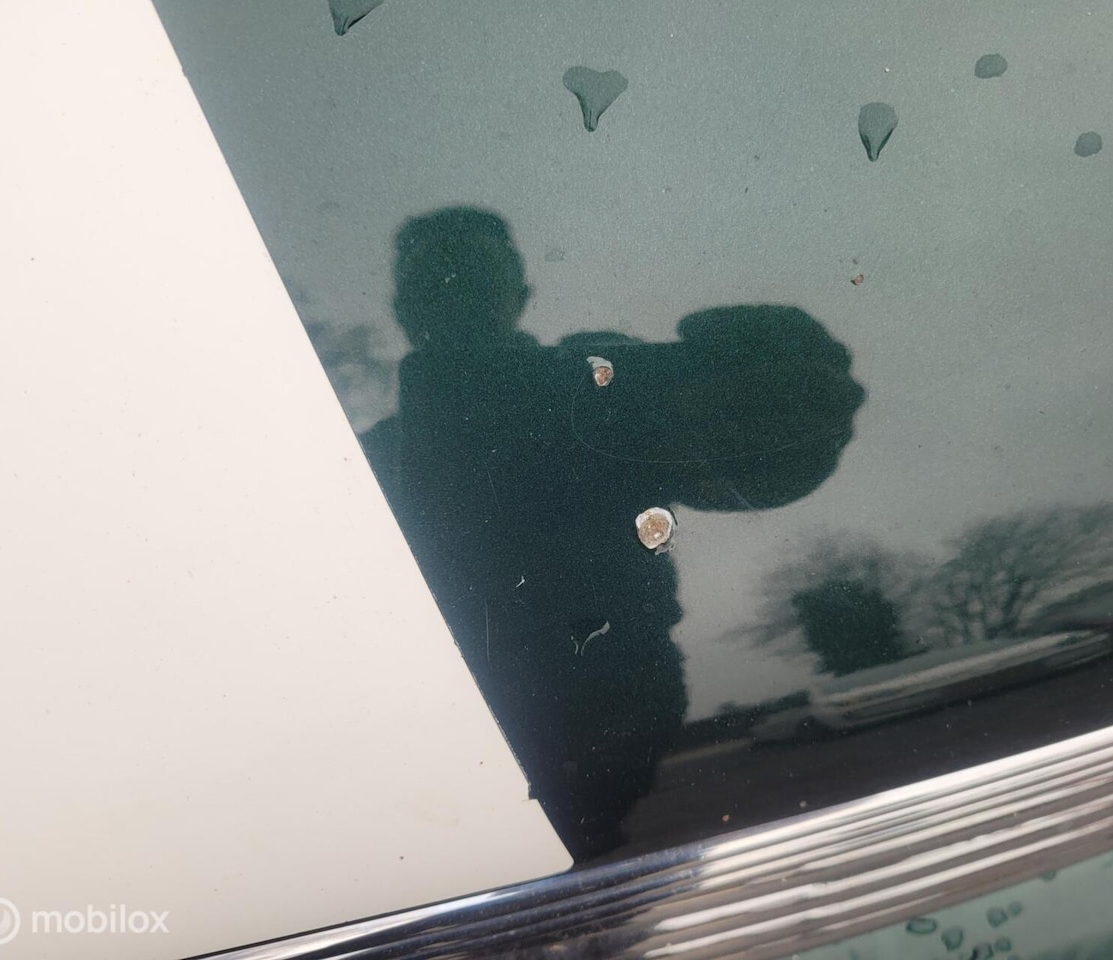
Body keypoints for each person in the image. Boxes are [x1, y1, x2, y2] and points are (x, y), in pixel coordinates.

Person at [362, 207, 865, 859]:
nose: (457, 295)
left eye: (476, 275)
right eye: (436, 280)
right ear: (405, 307)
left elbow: (762, 461)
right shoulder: (369, 467)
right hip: (492, 735)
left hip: (606, 714)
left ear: (518, 294)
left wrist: (788, 391)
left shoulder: (598, 393)